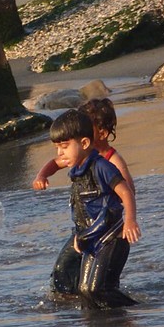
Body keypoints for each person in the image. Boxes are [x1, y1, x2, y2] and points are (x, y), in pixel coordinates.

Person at [46, 109, 141, 309]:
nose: (59, 153)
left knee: (93, 290)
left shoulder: (102, 167)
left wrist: (131, 220)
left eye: (64, 147)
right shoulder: (77, 170)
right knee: (78, 286)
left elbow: (127, 193)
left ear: (85, 144)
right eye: (57, 148)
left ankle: (139, 309)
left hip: (111, 237)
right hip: (89, 237)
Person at [33, 98, 135, 193]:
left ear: (102, 133)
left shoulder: (113, 160)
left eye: (86, 129)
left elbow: (129, 191)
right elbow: (55, 163)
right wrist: (41, 176)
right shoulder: (82, 154)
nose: (80, 133)